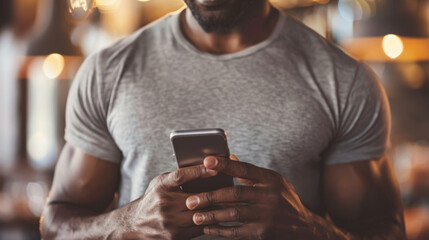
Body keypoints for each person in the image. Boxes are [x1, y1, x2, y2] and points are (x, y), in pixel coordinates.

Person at [40, 0, 406, 239]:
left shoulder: (343, 80)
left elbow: (386, 231)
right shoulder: (109, 72)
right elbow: (55, 226)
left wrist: (306, 228)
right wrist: (130, 224)